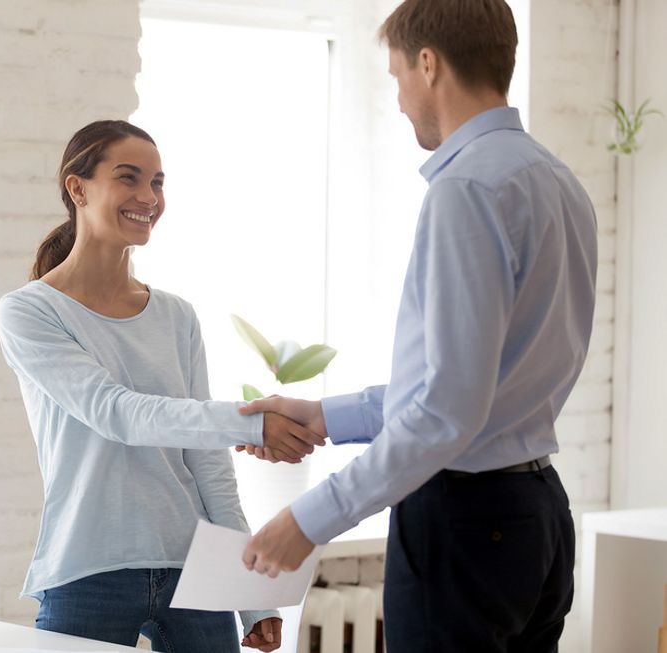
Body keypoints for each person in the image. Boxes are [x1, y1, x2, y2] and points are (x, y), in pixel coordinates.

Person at [238, 1, 598, 651]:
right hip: (539, 515)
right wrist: (324, 414)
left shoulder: (467, 190)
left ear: (429, 63)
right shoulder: (559, 181)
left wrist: (310, 517)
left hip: (465, 523)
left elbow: (445, 411)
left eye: (398, 73)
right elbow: (478, 384)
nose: (399, 99)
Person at [0, 120, 323, 652]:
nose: (148, 197)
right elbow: (116, 413)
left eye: (158, 182)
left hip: (195, 569)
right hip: (88, 569)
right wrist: (251, 420)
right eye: (129, 178)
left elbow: (208, 465)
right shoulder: (30, 311)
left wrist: (253, 594)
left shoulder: (176, 316)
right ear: (77, 188)